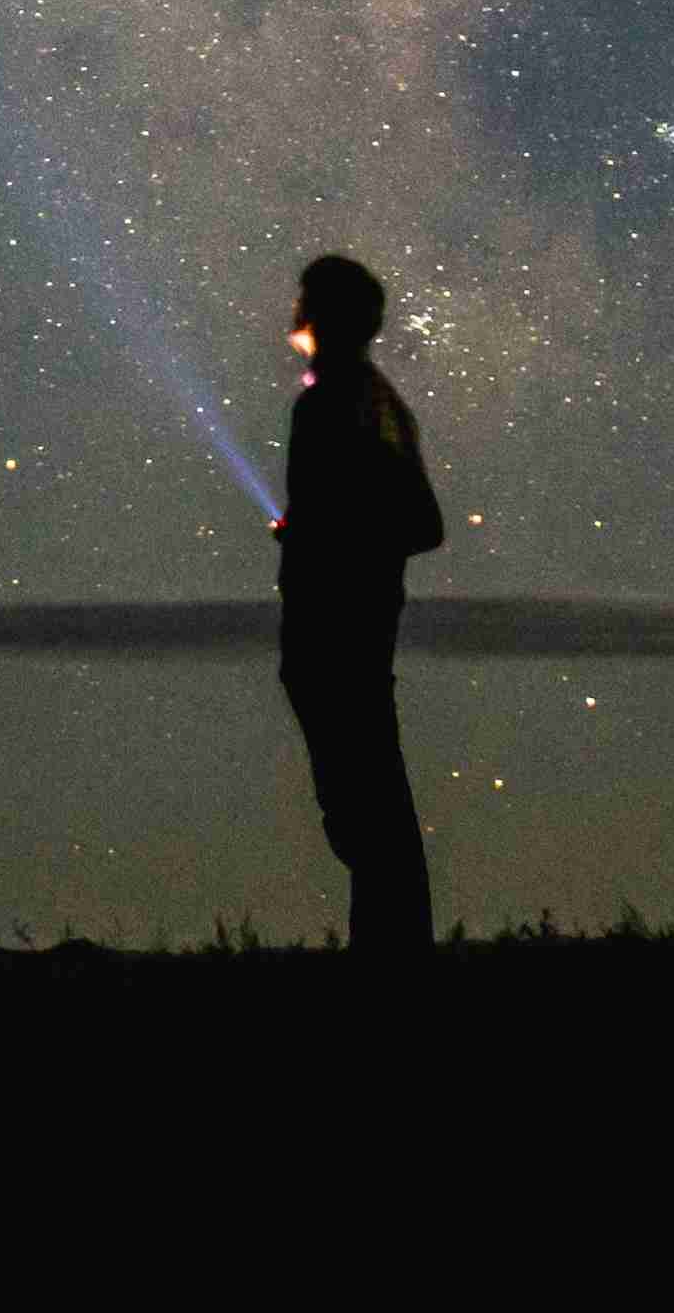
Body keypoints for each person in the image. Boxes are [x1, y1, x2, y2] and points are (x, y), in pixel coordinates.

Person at [272, 249, 447, 958]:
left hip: (338, 639)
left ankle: (392, 970)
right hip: (349, 636)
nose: (293, 309)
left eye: (305, 296)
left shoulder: (337, 402)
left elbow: (415, 522)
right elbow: (407, 519)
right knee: (368, 819)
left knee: (367, 822)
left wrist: (323, 532)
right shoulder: (365, 402)